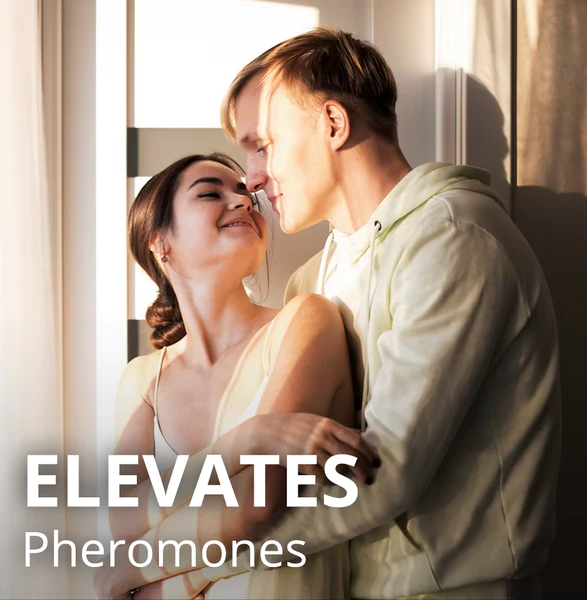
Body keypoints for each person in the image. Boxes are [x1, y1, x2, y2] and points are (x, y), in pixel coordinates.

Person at [99, 28, 561, 599]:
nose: (251, 179)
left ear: (334, 124)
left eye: (262, 145)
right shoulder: (313, 280)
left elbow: (384, 471)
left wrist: (167, 571)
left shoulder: (452, 236)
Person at [93, 152, 377, 600]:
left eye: (246, 194)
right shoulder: (142, 380)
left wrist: (137, 576)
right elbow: (126, 521)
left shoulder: (305, 321)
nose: (244, 201)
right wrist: (247, 440)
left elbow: (255, 504)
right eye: (210, 194)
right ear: (160, 243)